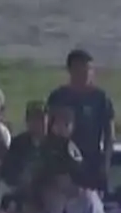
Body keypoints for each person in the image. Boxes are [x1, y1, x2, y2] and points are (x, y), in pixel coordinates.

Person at [46, 48, 115, 193]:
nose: (86, 74)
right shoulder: (58, 97)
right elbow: (48, 130)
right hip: (63, 163)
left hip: (91, 162)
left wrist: (106, 163)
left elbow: (109, 134)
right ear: (71, 71)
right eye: (81, 69)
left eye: (89, 69)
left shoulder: (100, 98)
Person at [1, 101, 47, 195]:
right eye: (34, 119)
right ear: (27, 122)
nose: (38, 123)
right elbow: (7, 172)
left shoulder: (56, 144)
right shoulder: (18, 144)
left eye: (41, 119)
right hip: (22, 193)